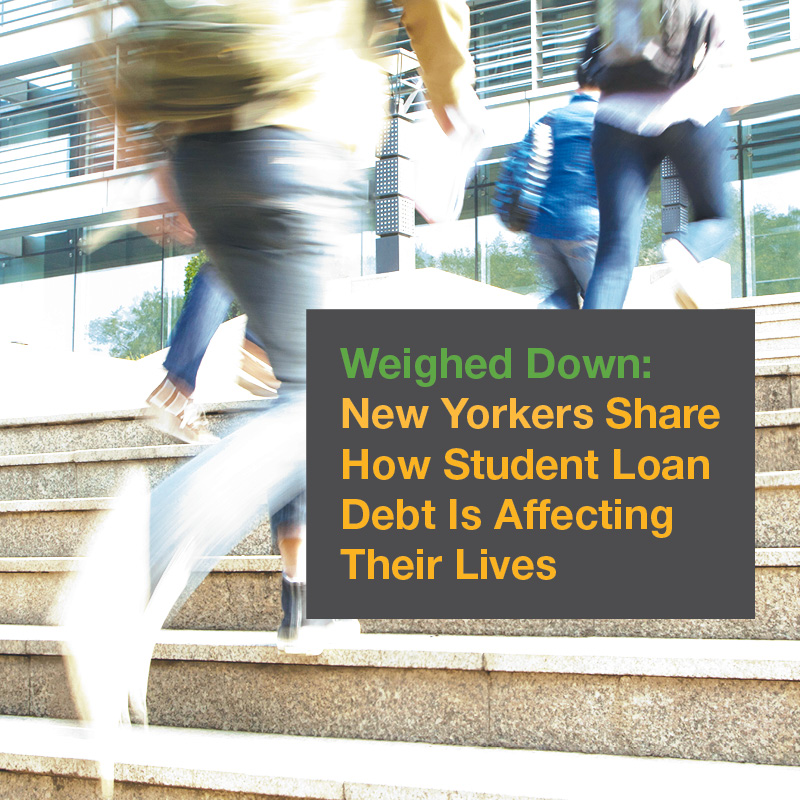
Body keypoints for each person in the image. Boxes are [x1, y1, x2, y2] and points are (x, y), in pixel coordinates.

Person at [63, 4, 483, 793]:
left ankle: (311, 600)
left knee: (300, 391)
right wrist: (453, 101)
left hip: (201, 146)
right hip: (300, 129)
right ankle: (133, 567)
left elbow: (108, 15)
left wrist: (144, 144)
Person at [581, 0, 751, 309]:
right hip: (689, 108)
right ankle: (685, 252)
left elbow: (595, 53)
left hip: (614, 117)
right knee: (716, 217)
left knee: (613, 254)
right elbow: (736, 77)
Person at [527, 74, 600, 309]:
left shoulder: (549, 119)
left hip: (541, 227)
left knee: (563, 297)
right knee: (602, 298)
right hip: (584, 227)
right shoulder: (602, 120)